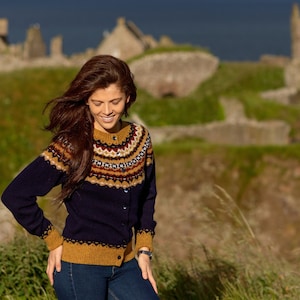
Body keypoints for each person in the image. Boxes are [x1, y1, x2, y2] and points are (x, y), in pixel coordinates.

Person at [1, 55, 159, 300]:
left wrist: (145, 249)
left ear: (128, 97)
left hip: (127, 264)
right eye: (97, 103)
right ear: (86, 100)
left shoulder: (140, 139)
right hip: (79, 268)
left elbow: (148, 195)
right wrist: (52, 240)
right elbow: (16, 195)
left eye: (115, 101)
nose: (106, 111)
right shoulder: (72, 145)